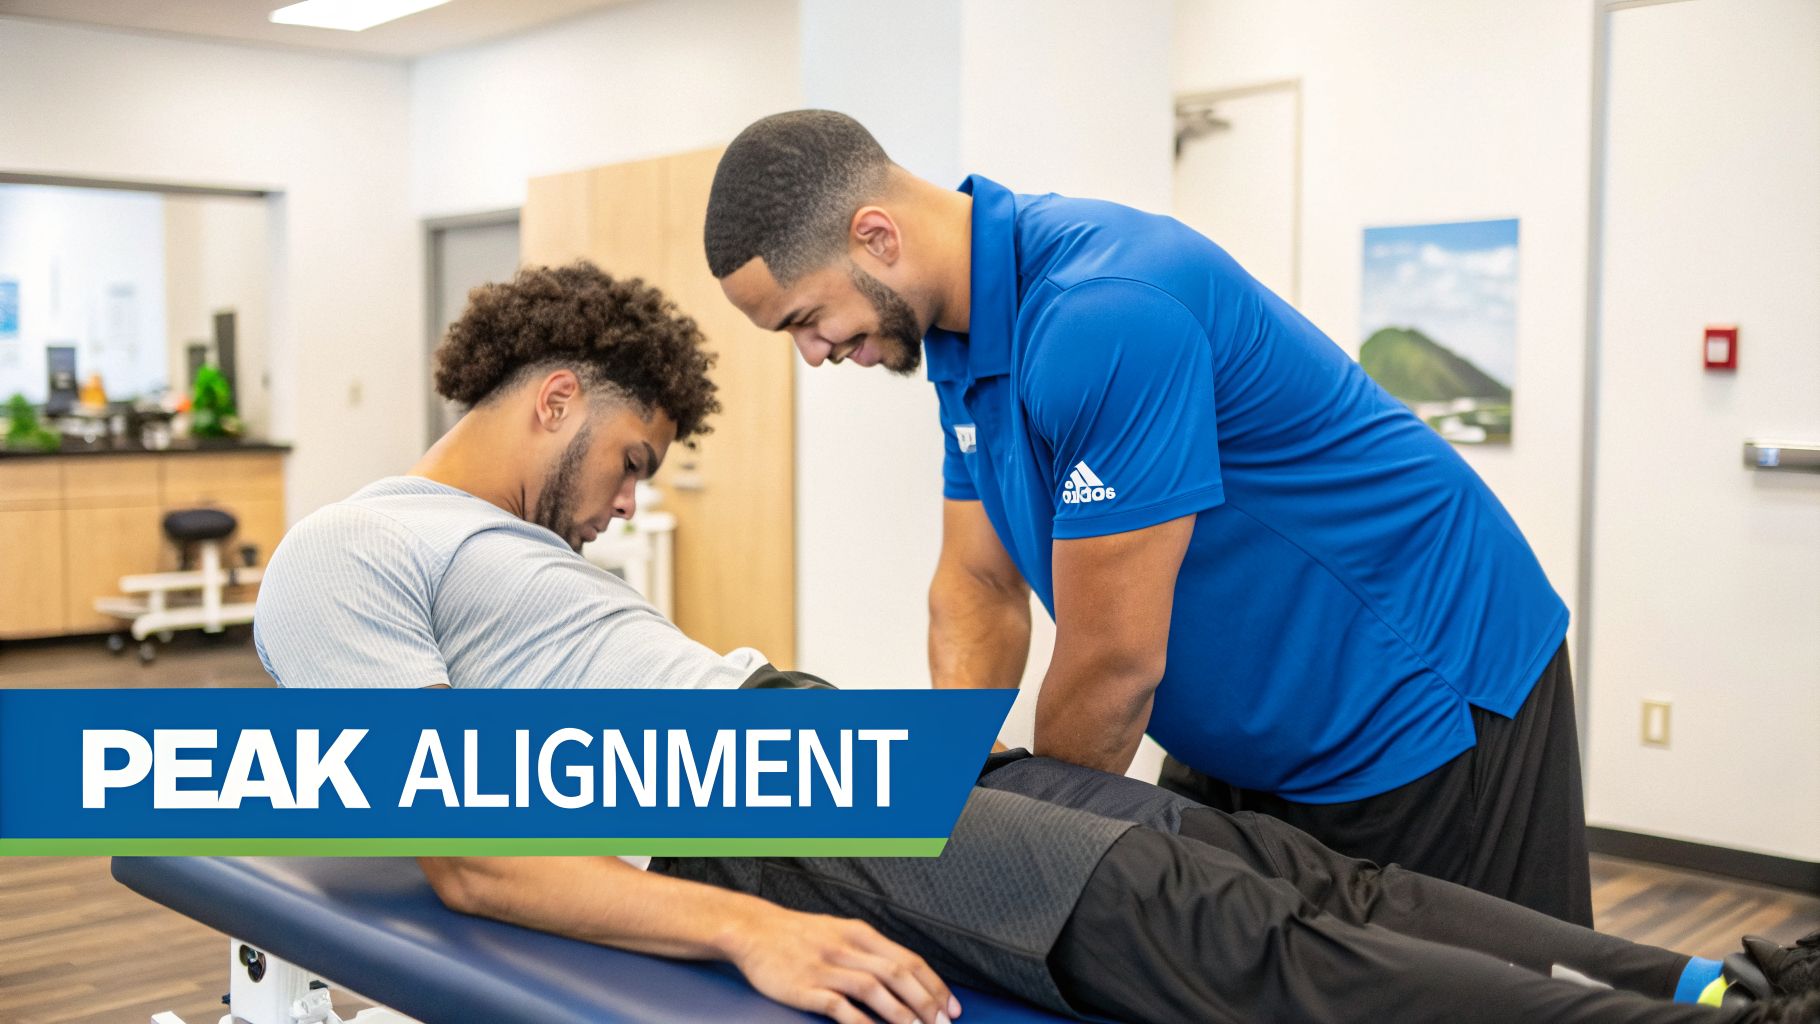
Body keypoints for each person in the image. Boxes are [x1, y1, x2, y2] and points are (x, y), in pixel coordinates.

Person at [254, 263, 1819, 1024]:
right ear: (552, 400)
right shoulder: (349, 552)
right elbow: (458, 857)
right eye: (637, 459)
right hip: (742, 819)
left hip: (809, 745)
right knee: (1220, 935)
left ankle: (1720, 988)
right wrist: (748, 931)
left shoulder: (515, 557)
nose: (627, 502)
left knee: (1281, 871)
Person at [705, 109, 1590, 923]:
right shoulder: (954, 344)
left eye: (808, 319)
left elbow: (1115, 658)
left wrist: (1024, 851)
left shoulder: (1105, 310)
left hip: (1422, 691)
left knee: (1452, 993)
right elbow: (976, 583)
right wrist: (960, 786)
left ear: (876, 235)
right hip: (1247, 729)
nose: (813, 355)